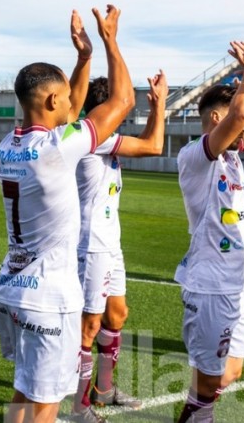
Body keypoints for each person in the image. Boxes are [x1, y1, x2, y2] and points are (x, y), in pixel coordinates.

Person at [0, 5, 135, 423]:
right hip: (49, 298)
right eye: (66, 98)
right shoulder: (58, 148)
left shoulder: (9, 143)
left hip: (12, 287)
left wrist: (83, 58)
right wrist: (110, 40)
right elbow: (122, 100)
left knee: (24, 389)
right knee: (46, 405)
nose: (73, 102)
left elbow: (68, 114)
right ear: (53, 99)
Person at [174, 41, 244, 423]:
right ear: (217, 119)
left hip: (240, 283)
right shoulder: (196, 156)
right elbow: (242, 115)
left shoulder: (232, 151)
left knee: (229, 373)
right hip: (211, 285)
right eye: (232, 114)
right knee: (208, 385)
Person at [70, 71, 168, 422]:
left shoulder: (105, 138)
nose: (124, 114)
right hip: (89, 244)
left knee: (117, 314)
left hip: (110, 243)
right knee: (89, 326)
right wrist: (160, 106)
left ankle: (104, 390)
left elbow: (148, 141)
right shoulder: (91, 137)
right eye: (118, 107)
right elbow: (153, 146)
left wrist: (158, 107)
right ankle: (79, 407)